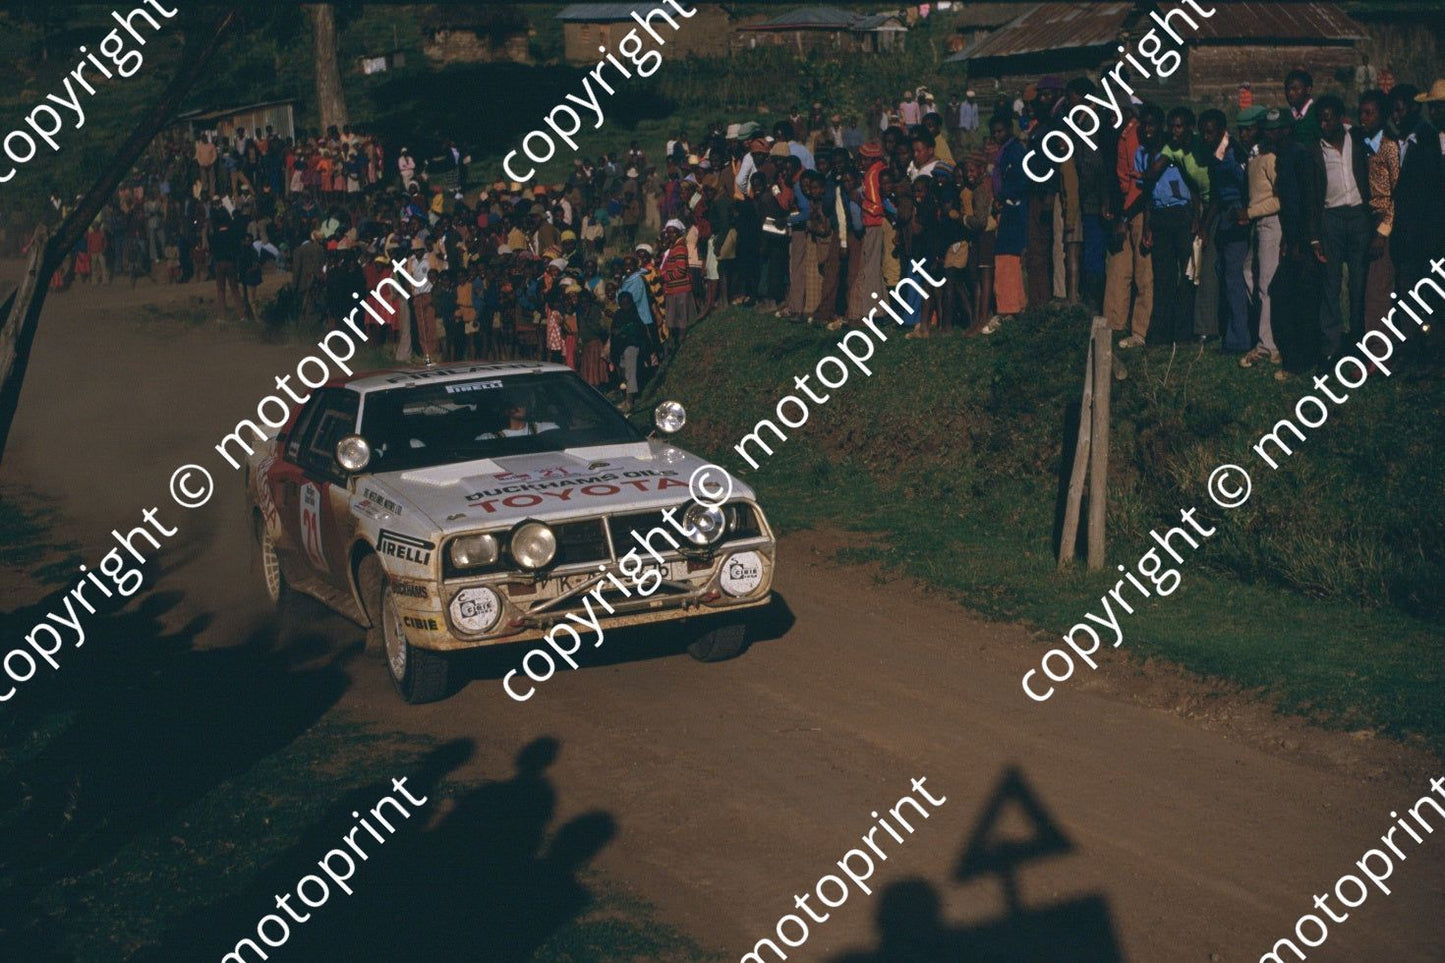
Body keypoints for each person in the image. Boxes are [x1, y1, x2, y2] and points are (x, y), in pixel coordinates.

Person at [1307, 95, 1371, 362]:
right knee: (1331, 285)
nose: (1324, 123)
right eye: (1320, 118)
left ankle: (1358, 341)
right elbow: (1312, 195)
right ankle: (1331, 347)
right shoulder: (1315, 149)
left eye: (1328, 117)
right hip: (1331, 219)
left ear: (1341, 117)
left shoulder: (1357, 138)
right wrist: (1314, 237)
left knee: (1359, 284)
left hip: (1359, 217)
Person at [1139, 106, 1207, 344]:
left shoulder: (1179, 152)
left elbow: (1194, 182)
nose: (1150, 130)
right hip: (1159, 216)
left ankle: (1184, 332)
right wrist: (1147, 224)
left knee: (1187, 275)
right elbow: (1147, 189)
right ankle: (1160, 333)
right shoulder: (1145, 154)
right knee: (1163, 278)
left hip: (1182, 215)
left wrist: (1196, 216)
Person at [1241, 109, 1286, 369]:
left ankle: (1268, 346)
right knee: (1249, 274)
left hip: (1270, 223)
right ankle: (1265, 337)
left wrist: (1250, 212)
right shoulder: (1253, 156)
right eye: (1241, 129)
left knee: (1266, 285)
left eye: (1249, 128)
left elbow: (1279, 199)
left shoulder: (1270, 158)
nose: (1244, 134)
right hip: (1256, 224)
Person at [1107, 98, 1152, 348]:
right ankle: (1114, 324)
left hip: (1137, 208)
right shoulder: (1121, 135)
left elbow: (1139, 180)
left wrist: (1124, 217)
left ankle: (1140, 330)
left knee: (1143, 271)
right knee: (1119, 268)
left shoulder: (1134, 135)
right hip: (1124, 207)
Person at [1358, 90, 1400, 342]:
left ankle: (1377, 351)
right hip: (1369, 219)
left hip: (1386, 222)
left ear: (1382, 116)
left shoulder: (1389, 148)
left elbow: (1398, 192)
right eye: (1361, 113)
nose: (1364, 118)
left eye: (1369, 113)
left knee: (1378, 290)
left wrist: (1383, 232)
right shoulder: (1365, 146)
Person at [983, 113, 1027, 334]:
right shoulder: (1004, 151)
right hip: (1006, 208)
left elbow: (1020, 179)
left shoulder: (1015, 151)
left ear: (1009, 129)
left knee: (1006, 259)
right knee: (1007, 258)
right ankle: (1014, 305)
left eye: (1000, 131)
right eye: (994, 133)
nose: (997, 136)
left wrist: (1003, 198)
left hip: (1013, 208)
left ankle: (1008, 309)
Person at [609, 291, 658, 413]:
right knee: (624, 374)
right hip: (621, 348)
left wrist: (623, 332)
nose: (625, 305)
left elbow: (638, 333)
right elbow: (614, 332)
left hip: (632, 347)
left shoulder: (634, 315)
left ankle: (630, 402)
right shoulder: (618, 315)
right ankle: (626, 399)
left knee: (630, 374)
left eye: (627, 303)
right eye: (622, 303)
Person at [1286, 69, 1320, 145]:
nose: (1290, 93)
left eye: (1295, 89)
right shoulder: (1287, 116)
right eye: (1288, 89)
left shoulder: (1317, 114)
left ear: (1308, 90)